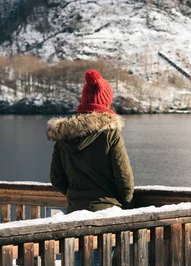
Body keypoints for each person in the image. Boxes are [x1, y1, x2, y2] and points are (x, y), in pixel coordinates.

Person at [47, 69, 134, 213]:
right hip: (107, 211)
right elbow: (124, 177)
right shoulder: (110, 134)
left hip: (74, 212)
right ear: (106, 102)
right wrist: (126, 204)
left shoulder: (63, 134)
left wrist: (75, 197)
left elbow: (56, 178)